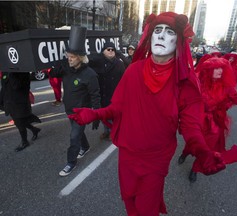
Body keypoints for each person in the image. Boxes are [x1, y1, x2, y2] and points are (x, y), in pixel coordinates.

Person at [69, 12, 226, 215]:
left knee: (147, 209)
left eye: (169, 32)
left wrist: (202, 150)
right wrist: (95, 114)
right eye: (157, 30)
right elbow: (118, 107)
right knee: (129, 202)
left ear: (178, 41)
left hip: (156, 158)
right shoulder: (134, 71)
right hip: (128, 154)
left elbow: (190, 126)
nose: (160, 36)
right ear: (150, 36)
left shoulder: (185, 83)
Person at [49, 26, 101, 177]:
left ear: (80, 57)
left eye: (71, 56)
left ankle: (70, 163)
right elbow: (53, 73)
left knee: (73, 136)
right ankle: (85, 147)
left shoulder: (90, 74)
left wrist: (96, 115)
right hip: (69, 110)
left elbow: (95, 95)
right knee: (77, 133)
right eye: (68, 56)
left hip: (81, 112)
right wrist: (58, 64)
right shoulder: (66, 68)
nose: (69, 59)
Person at [89, 41, 126, 140]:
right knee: (104, 116)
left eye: (112, 49)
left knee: (113, 116)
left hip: (114, 95)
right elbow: (88, 60)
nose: (110, 51)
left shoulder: (119, 64)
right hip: (102, 94)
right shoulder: (98, 62)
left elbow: (124, 80)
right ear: (103, 51)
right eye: (108, 49)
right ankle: (106, 131)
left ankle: (113, 132)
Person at [0, 72, 41, 152]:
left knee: (19, 123)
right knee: (19, 122)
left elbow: (16, 86)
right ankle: (34, 130)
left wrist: (11, 74)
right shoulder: (6, 71)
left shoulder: (23, 73)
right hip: (9, 102)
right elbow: (4, 87)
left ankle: (24, 142)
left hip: (20, 103)